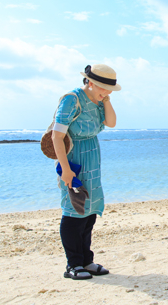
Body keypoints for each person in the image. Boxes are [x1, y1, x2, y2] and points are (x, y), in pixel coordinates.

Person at [51, 64, 120, 280]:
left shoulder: (100, 101)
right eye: (103, 88)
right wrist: (66, 170)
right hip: (73, 159)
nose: (107, 92)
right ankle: (73, 265)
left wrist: (105, 99)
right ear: (90, 83)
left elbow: (111, 123)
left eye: (110, 89)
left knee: (89, 211)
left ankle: (86, 261)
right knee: (74, 210)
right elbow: (57, 137)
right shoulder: (72, 99)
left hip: (92, 158)